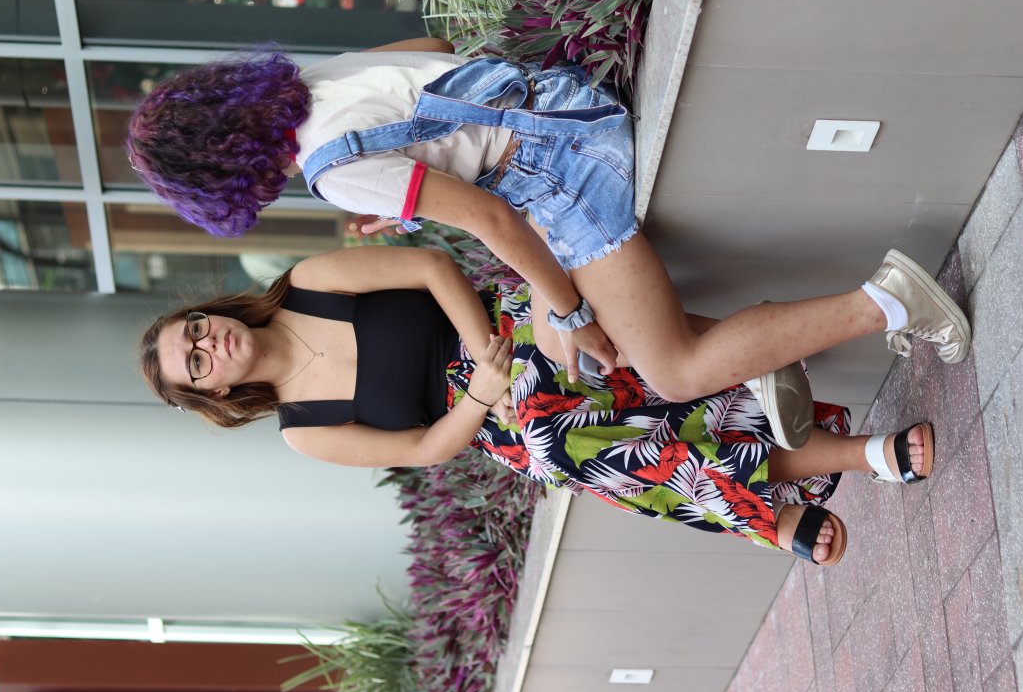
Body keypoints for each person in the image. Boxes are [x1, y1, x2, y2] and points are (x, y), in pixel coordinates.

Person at [126, 39, 970, 452]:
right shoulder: (309, 87)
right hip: (553, 105)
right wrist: (412, 184)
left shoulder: (329, 171)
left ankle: (887, 301)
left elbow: (494, 224)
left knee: (670, 369)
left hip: (559, 164)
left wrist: (564, 310)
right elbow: (435, 56)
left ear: (219, 176)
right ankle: (771, 349)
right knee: (616, 346)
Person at [140, 245, 940, 566]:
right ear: (214, 392)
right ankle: (853, 459)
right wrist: (481, 395)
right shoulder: (304, 431)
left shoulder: (309, 283)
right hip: (490, 414)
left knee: (569, 444)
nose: (211, 344)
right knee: (575, 445)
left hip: (505, 325)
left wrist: (483, 352)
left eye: (197, 328)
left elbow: (429, 266)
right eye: (197, 362)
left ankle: (782, 508)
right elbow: (424, 449)